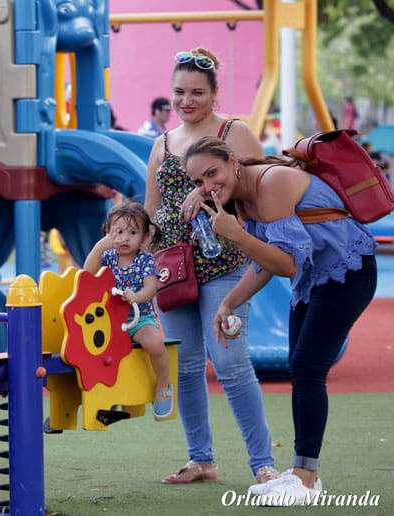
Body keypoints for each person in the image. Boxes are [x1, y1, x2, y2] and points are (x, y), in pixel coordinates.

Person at [183, 136, 377, 505]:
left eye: (212, 173)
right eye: (198, 182)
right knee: (300, 368)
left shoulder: (270, 183)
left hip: (348, 270)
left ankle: (306, 477)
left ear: (233, 162)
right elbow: (265, 264)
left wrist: (236, 235)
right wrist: (228, 303)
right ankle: (303, 472)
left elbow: (286, 263)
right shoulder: (242, 202)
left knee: (307, 367)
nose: (207, 186)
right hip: (314, 278)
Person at [143, 48, 278, 484]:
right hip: (172, 271)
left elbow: (262, 187)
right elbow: (151, 211)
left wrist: (205, 190)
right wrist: (137, 261)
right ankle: (201, 460)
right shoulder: (162, 144)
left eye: (197, 92)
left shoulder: (234, 132)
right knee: (185, 367)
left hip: (225, 267)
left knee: (231, 363)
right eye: (179, 91)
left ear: (215, 93)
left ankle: (263, 465)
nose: (187, 100)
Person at [83, 201, 172, 420]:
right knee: (95, 349)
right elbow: (87, 272)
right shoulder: (108, 257)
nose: (125, 238)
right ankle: (104, 392)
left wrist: (137, 296)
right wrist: (101, 245)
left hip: (139, 318)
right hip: (110, 320)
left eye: (133, 233)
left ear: (144, 237)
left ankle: (163, 385)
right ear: (108, 233)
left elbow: (151, 288)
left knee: (155, 343)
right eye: (119, 232)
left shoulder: (145, 260)